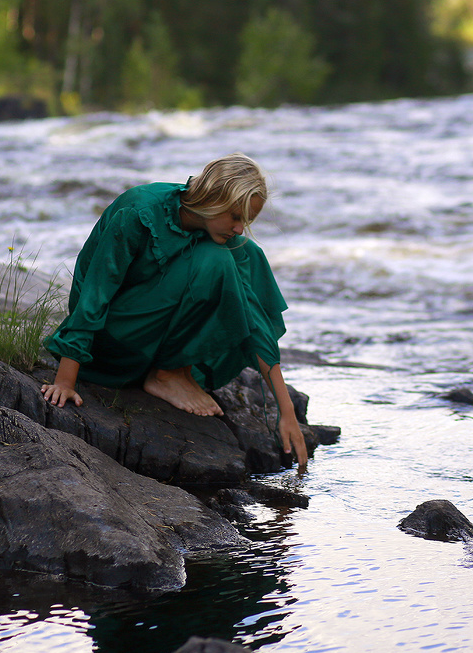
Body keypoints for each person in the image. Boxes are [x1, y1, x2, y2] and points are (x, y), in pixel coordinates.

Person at [41, 153, 308, 467]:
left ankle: (172, 370)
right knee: (222, 260)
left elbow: (255, 316)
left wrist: (286, 412)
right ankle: (167, 375)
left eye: (246, 221)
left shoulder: (215, 232)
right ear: (212, 198)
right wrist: (65, 381)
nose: (239, 227)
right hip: (110, 343)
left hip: (149, 341)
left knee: (247, 254)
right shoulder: (139, 212)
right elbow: (95, 295)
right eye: (235, 216)